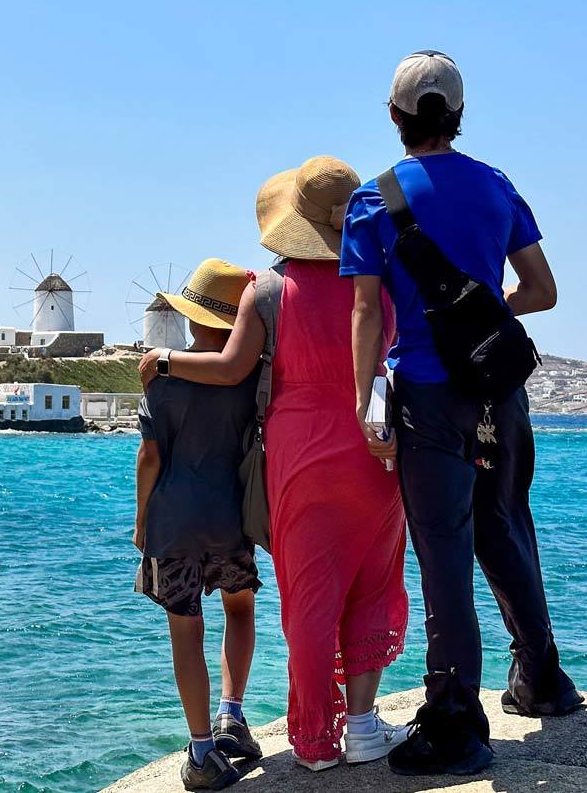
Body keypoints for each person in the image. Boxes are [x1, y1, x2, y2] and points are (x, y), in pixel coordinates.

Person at [342, 50, 583, 777]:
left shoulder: (373, 199)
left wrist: (363, 401)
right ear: (457, 115)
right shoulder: (494, 184)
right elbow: (539, 289)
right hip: (499, 394)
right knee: (506, 529)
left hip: (425, 397)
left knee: (442, 552)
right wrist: (481, 315)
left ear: (394, 117)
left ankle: (453, 720)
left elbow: (362, 311)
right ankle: (541, 680)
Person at [140, 158, 410, 772]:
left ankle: (314, 743)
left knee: (310, 599)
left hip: (302, 454)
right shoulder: (381, 282)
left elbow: (233, 368)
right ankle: (364, 727)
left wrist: (165, 360)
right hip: (375, 444)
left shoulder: (267, 290)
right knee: (371, 580)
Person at [134, 259, 263, 791]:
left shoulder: (164, 378)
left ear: (192, 320)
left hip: (174, 520)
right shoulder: (249, 374)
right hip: (228, 515)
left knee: (185, 631)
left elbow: (150, 458)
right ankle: (232, 714)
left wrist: (142, 521)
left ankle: (202, 751)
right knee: (240, 608)